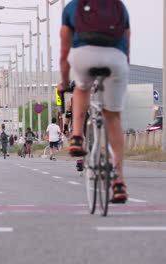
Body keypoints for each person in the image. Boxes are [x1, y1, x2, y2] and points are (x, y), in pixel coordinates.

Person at [57, 0, 130, 203]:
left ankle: (77, 136)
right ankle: (119, 183)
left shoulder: (73, 7)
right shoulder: (119, 7)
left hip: (83, 56)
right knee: (113, 118)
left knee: (81, 88)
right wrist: (121, 69)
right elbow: (127, 45)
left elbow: (64, 54)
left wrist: (64, 83)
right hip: (115, 59)